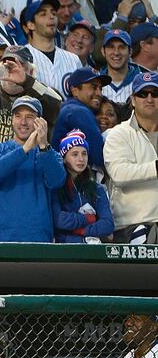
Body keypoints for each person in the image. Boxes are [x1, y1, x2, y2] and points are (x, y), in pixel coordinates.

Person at [0, 96, 66, 242]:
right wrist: (25, 149)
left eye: (30, 117)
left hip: (38, 238)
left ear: (40, 122)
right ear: (12, 120)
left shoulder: (50, 154)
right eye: (18, 116)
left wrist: (44, 147)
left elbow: (56, 181)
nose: (23, 122)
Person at [103, 72, 158, 243]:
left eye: (155, 94)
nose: (149, 98)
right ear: (133, 100)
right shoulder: (118, 134)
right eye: (143, 94)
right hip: (133, 225)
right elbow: (120, 174)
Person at [51, 130, 114, 243]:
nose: (81, 159)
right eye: (75, 154)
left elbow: (108, 224)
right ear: (64, 158)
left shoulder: (97, 188)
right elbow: (59, 220)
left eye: (84, 153)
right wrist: (88, 218)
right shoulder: (55, 186)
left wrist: (81, 231)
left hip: (91, 249)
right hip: (64, 249)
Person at [22, 0, 83, 97]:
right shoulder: (21, 58)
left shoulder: (73, 59)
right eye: (43, 14)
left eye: (54, 13)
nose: (51, 17)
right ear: (31, 25)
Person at [51, 66, 109, 168]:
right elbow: (99, 157)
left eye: (100, 88)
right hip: (70, 178)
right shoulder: (78, 111)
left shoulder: (68, 108)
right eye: (93, 87)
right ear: (75, 90)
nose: (99, 93)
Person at [100, 29, 145, 106]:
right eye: (111, 47)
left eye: (122, 47)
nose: (116, 52)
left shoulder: (144, 83)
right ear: (103, 51)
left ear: (130, 51)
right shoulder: (94, 82)